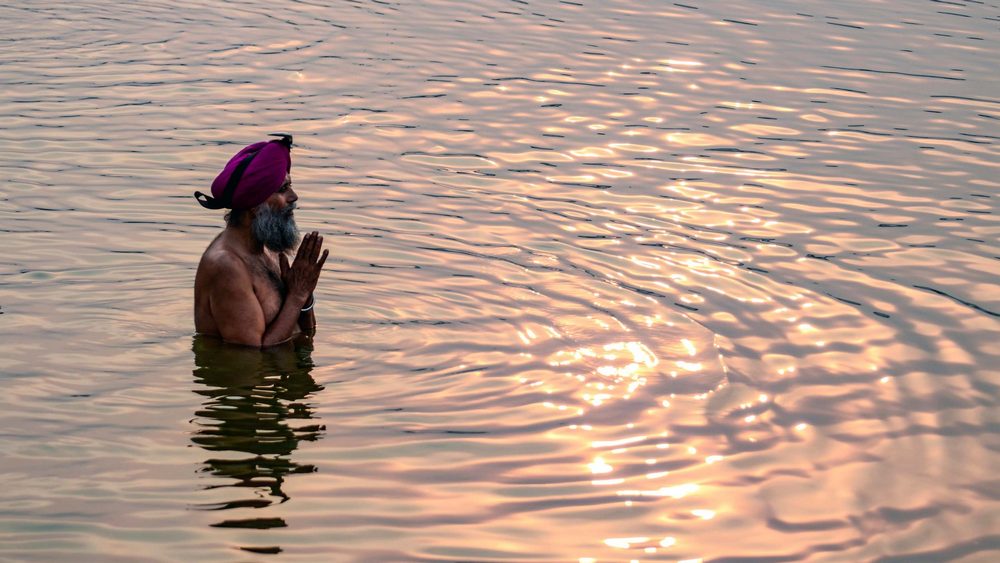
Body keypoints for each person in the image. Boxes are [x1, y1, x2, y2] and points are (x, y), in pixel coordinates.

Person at [193, 134, 328, 347]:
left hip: (283, 370)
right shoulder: (226, 265)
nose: (294, 197)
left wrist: (305, 294)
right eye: (283, 189)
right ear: (255, 206)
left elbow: (306, 332)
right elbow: (252, 355)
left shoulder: (271, 249)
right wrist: (297, 295)